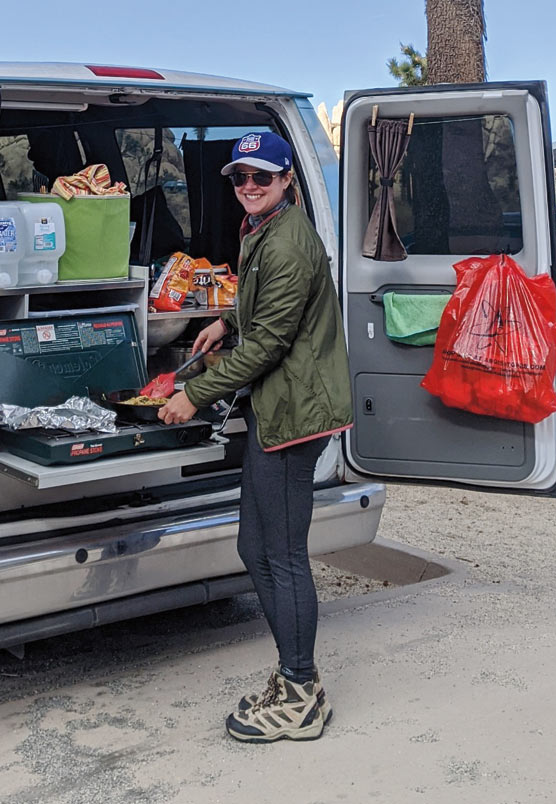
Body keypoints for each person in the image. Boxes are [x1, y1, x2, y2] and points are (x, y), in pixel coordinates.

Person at [158, 130, 353, 743]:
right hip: (278, 408)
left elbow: (269, 344)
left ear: (287, 179)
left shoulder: (289, 243)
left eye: (261, 177)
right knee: (253, 546)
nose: (248, 187)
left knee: (283, 555)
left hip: (298, 415)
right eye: (240, 178)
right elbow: (260, 310)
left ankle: (301, 693)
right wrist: (222, 321)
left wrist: (194, 392)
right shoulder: (262, 230)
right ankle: (293, 675)